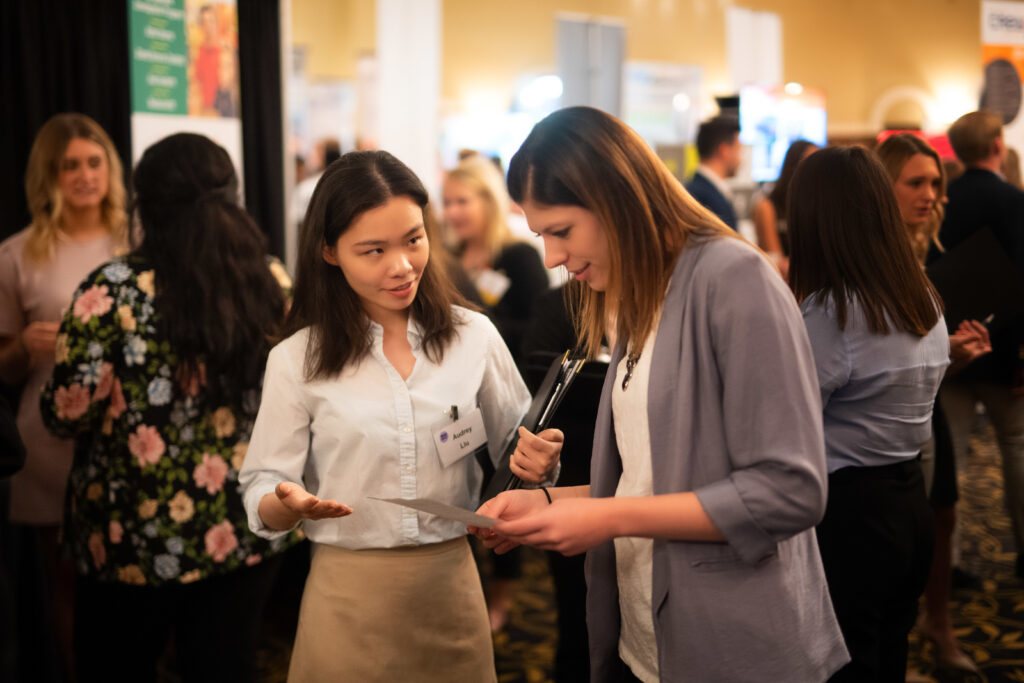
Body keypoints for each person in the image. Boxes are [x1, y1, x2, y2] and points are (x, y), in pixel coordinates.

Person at [473, 106, 848, 682]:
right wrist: (553, 503)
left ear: (616, 198)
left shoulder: (733, 279)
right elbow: (657, 475)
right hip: (645, 633)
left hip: (732, 638)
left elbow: (790, 492)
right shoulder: (633, 293)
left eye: (561, 231)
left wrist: (607, 516)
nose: (550, 256)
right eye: (540, 235)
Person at [238, 150, 563, 683]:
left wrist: (541, 461)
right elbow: (261, 484)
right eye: (373, 250)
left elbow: (518, 452)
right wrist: (284, 504)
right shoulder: (298, 359)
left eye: (414, 239)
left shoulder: (471, 337)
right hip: (347, 597)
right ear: (329, 251)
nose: (402, 265)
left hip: (451, 585)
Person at [40, 133, 298, 683]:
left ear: (145, 204)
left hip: (132, 535)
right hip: (249, 523)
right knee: (226, 666)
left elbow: (65, 414)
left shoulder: (110, 292)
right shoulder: (267, 277)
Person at [788, 145, 950, 682]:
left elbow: (787, 422)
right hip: (909, 501)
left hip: (851, 512)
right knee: (887, 651)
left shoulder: (833, 311)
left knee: (845, 661)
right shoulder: (921, 293)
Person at [0, 112, 128, 679]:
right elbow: (1, 368)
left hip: (132, 437)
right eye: (69, 165)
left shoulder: (140, 239)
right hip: (49, 444)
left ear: (110, 169)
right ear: (49, 176)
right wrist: (24, 347)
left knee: (130, 581)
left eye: (94, 162)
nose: (84, 175)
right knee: (66, 585)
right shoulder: (16, 254)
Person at [877, 133, 988, 674]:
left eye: (935, 183)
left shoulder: (923, 248)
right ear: (883, 187)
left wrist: (954, 356)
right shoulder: (871, 256)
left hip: (928, 404)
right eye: (915, 183)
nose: (930, 195)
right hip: (883, 418)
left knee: (943, 514)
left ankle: (938, 624)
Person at [937, 110, 1024, 578]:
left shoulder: (942, 201)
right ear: (996, 144)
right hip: (1005, 352)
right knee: (1016, 448)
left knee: (952, 459)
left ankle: (945, 564)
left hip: (949, 349)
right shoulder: (1014, 200)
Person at [443, 153, 549, 359]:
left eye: (462, 202)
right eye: (447, 203)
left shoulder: (520, 257)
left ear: (489, 201)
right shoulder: (449, 258)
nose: (451, 212)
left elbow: (538, 330)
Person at [750, 139, 818, 272]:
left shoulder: (816, 205)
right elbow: (777, 262)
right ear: (794, 166)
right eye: (811, 164)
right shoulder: (767, 206)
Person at [684, 115, 742, 230]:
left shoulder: (698, 190)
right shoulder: (702, 197)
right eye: (739, 150)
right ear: (724, 150)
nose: (741, 159)